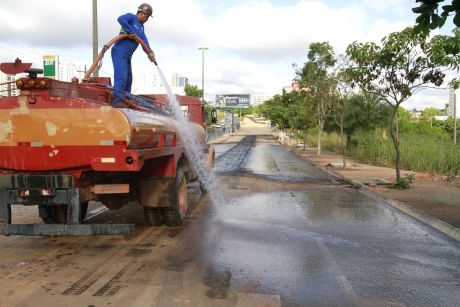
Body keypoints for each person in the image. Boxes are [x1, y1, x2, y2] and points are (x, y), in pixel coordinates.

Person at [111, 3, 156, 101]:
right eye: (147, 17)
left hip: (127, 56)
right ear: (142, 13)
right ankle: (116, 100)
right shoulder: (131, 17)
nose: (147, 19)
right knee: (121, 77)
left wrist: (149, 51)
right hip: (119, 51)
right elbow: (120, 19)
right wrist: (130, 31)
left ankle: (125, 100)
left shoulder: (141, 27)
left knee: (128, 80)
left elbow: (144, 40)